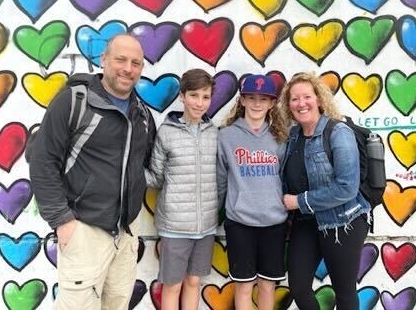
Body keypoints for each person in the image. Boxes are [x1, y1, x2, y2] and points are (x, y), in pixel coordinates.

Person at [29, 33, 156, 310]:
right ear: (104, 60)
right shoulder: (72, 102)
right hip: (84, 228)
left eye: (136, 63)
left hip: (125, 233)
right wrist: (62, 220)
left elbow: (140, 166)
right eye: (120, 59)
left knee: (117, 304)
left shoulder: (143, 114)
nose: (128, 68)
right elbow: (42, 161)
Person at [280, 72, 370, 310]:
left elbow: (346, 187)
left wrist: (299, 201)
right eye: (294, 99)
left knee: (344, 291)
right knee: (298, 287)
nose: (301, 103)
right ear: (288, 105)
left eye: (307, 97)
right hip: (306, 222)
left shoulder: (338, 132)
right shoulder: (293, 135)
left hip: (343, 221)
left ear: (319, 99)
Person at [145, 69, 218, 310]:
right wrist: (125, 171)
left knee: (194, 282)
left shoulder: (214, 133)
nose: (199, 103)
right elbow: (156, 177)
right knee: (173, 284)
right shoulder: (166, 132)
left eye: (205, 97)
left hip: (206, 225)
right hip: (175, 226)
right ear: (182, 97)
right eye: (194, 95)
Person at [217, 74, 288, 310]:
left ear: (271, 103)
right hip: (240, 221)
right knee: (244, 286)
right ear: (242, 101)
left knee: (268, 285)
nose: (257, 104)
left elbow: (286, 178)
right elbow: (220, 179)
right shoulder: (226, 136)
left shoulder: (280, 137)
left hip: (274, 221)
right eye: (251, 97)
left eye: (263, 99)